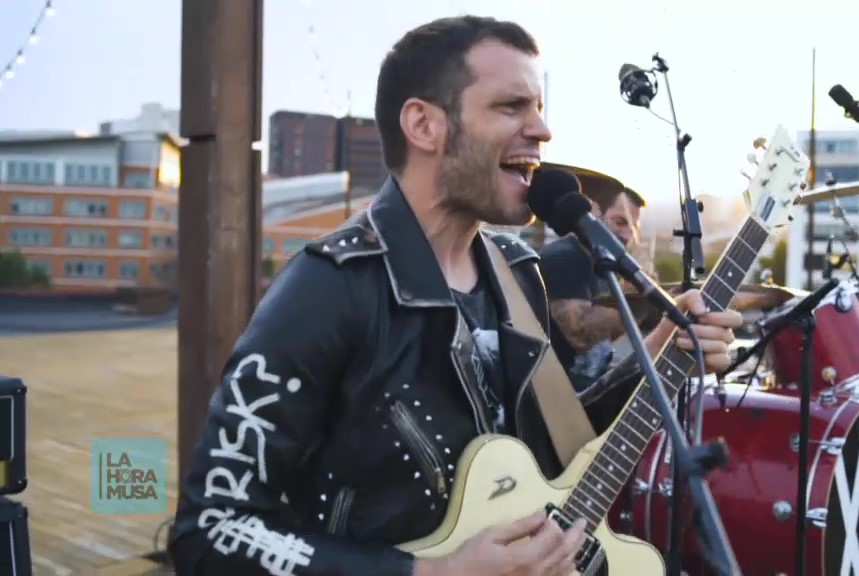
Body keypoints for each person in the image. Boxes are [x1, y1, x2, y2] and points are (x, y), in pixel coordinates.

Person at [169, 15, 742, 576]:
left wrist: (656, 353)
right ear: (424, 125)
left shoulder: (518, 272)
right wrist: (432, 571)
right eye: (511, 106)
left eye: (539, 108)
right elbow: (210, 532)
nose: (543, 131)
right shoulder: (331, 287)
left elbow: (557, 447)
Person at [539, 189, 646, 390]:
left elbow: (605, 334)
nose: (628, 235)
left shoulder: (602, 263)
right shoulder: (565, 257)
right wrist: (640, 302)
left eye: (634, 227)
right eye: (620, 222)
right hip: (554, 394)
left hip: (588, 389)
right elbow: (579, 334)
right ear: (594, 213)